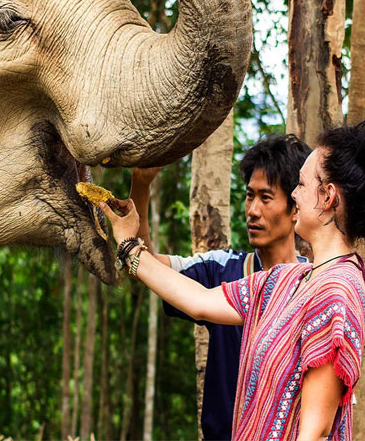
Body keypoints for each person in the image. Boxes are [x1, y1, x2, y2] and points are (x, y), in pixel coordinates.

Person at [100, 121, 365, 440]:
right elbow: (198, 301)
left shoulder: (338, 290)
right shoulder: (285, 280)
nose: (295, 194)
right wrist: (128, 243)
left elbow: (316, 433)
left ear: (328, 198)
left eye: (302, 186)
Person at [129, 134, 311, 441]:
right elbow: (146, 266)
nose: (252, 210)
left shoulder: (315, 285)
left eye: (266, 198)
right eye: (249, 196)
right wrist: (142, 185)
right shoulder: (223, 269)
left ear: (296, 208)